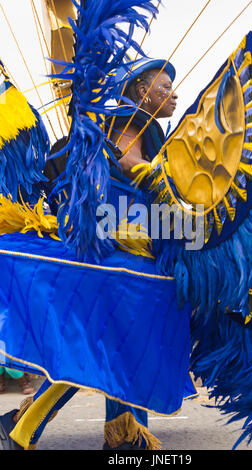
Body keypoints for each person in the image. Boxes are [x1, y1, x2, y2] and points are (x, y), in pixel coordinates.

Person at [0, 58, 190, 451]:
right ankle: (23, 431)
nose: (174, 94)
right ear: (142, 90)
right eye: (165, 86)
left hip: (122, 253)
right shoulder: (129, 121)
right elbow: (128, 162)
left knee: (112, 340)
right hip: (111, 256)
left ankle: (122, 434)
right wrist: (169, 187)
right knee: (101, 340)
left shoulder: (133, 125)